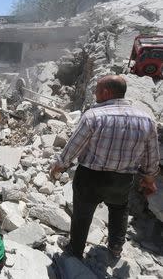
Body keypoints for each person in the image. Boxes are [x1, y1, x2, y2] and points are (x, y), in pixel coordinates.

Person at [50, 75, 160, 260]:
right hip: (123, 179)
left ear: (106, 92)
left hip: (90, 177)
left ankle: (75, 249)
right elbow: (152, 156)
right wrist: (149, 180)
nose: (94, 93)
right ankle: (116, 247)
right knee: (119, 210)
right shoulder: (146, 119)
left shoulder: (93, 116)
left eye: (97, 90)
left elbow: (74, 146)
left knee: (82, 213)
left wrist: (59, 165)